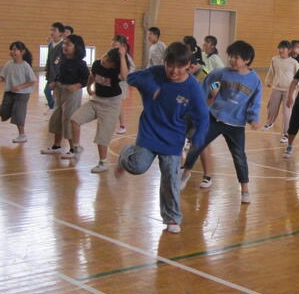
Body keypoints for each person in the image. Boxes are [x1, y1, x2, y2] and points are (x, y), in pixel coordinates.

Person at [116, 42, 209, 233]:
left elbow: (202, 116)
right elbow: (130, 78)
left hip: (173, 138)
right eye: (170, 65)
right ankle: (126, 153)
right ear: (164, 62)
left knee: (170, 177)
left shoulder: (193, 88)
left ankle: (172, 218)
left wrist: (198, 138)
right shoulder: (154, 73)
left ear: (188, 65)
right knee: (137, 166)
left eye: (180, 66)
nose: (174, 71)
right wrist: (150, 86)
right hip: (150, 131)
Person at [179, 40, 262, 203]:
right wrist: (200, 102)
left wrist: (253, 117)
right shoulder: (223, 73)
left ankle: (245, 189)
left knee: (239, 157)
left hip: (236, 124)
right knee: (197, 144)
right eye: (231, 56)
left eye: (236, 57)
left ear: (246, 60)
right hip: (215, 117)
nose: (232, 60)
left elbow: (256, 101)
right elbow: (207, 82)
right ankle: (185, 174)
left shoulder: (254, 80)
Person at [69, 47, 131, 172]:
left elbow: (125, 77)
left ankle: (103, 162)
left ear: (114, 65)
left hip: (111, 105)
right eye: (106, 56)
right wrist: (88, 87)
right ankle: (76, 148)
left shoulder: (116, 72)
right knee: (75, 120)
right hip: (96, 100)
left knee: (102, 136)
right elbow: (92, 76)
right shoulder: (97, 64)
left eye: (109, 61)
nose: (105, 60)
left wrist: (122, 56)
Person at [41, 34, 90, 156]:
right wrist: (54, 82)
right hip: (60, 91)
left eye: (68, 44)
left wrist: (77, 85)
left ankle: (74, 149)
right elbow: (59, 74)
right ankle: (57, 146)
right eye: (64, 44)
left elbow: (86, 79)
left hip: (72, 93)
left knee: (69, 119)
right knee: (57, 118)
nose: (65, 46)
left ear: (76, 47)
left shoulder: (80, 64)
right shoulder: (63, 60)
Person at [0, 42, 36, 144]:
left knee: (18, 113)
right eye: (11, 50)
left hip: (22, 94)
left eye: (15, 50)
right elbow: (2, 78)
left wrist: (20, 87)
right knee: (3, 110)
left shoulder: (26, 66)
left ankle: (22, 135)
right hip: (9, 92)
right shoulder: (8, 64)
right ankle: (10, 113)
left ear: (22, 52)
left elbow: (32, 81)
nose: (12, 52)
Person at [263, 40, 298, 143]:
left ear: (289, 50)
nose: (281, 50)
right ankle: (270, 122)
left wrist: (296, 87)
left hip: (289, 90)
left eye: (283, 48)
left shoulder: (294, 63)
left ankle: (286, 134)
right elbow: (271, 71)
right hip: (277, 88)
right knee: (272, 107)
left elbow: (298, 76)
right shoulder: (274, 60)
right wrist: (269, 81)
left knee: (287, 113)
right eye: (279, 48)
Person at [111, 35, 135, 134]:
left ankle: (122, 125)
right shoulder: (111, 54)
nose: (113, 45)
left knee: (118, 105)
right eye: (113, 43)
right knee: (113, 105)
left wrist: (125, 76)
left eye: (115, 44)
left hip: (120, 84)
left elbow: (132, 68)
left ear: (122, 46)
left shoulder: (126, 56)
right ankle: (112, 124)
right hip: (111, 83)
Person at [44, 22, 65, 110]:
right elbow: (48, 59)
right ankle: (54, 108)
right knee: (47, 91)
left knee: (54, 93)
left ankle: (56, 108)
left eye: (54, 30)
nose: (52, 32)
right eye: (51, 30)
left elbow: (59, 61)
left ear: (61, 33)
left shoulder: (63, 45)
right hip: (51, 74)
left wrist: (55, 79)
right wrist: (47, 70)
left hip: (59, 75)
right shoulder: (50, 45)